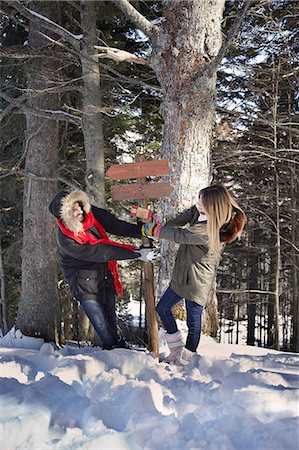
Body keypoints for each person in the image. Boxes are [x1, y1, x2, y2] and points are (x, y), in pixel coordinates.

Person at [141, 184, 246, 366]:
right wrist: (163, 223)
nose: (197, 204)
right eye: (199, 200)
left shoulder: (208, 231)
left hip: (197, 281)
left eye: (202, 202)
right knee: (162, 308)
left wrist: (156, 231)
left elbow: (180, 235)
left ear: (213, 207)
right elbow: (185, 216)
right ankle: (176, 350)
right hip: (183, 274)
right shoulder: (201, 212)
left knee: (193, 321)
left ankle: (187, 358)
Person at [49, 190, 156, 350]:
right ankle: (115, 347)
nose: (79, 211)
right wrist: (136, 253)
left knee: (110, 313)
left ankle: (114, 351)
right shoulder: (66, 239)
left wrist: (139, 231)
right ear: (65, 217)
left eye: (78, 206)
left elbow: (113, 224)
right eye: (73, 210)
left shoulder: (90, 214)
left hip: (103, 270)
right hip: (81, 279)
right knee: (100, 321)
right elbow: (100, 251)